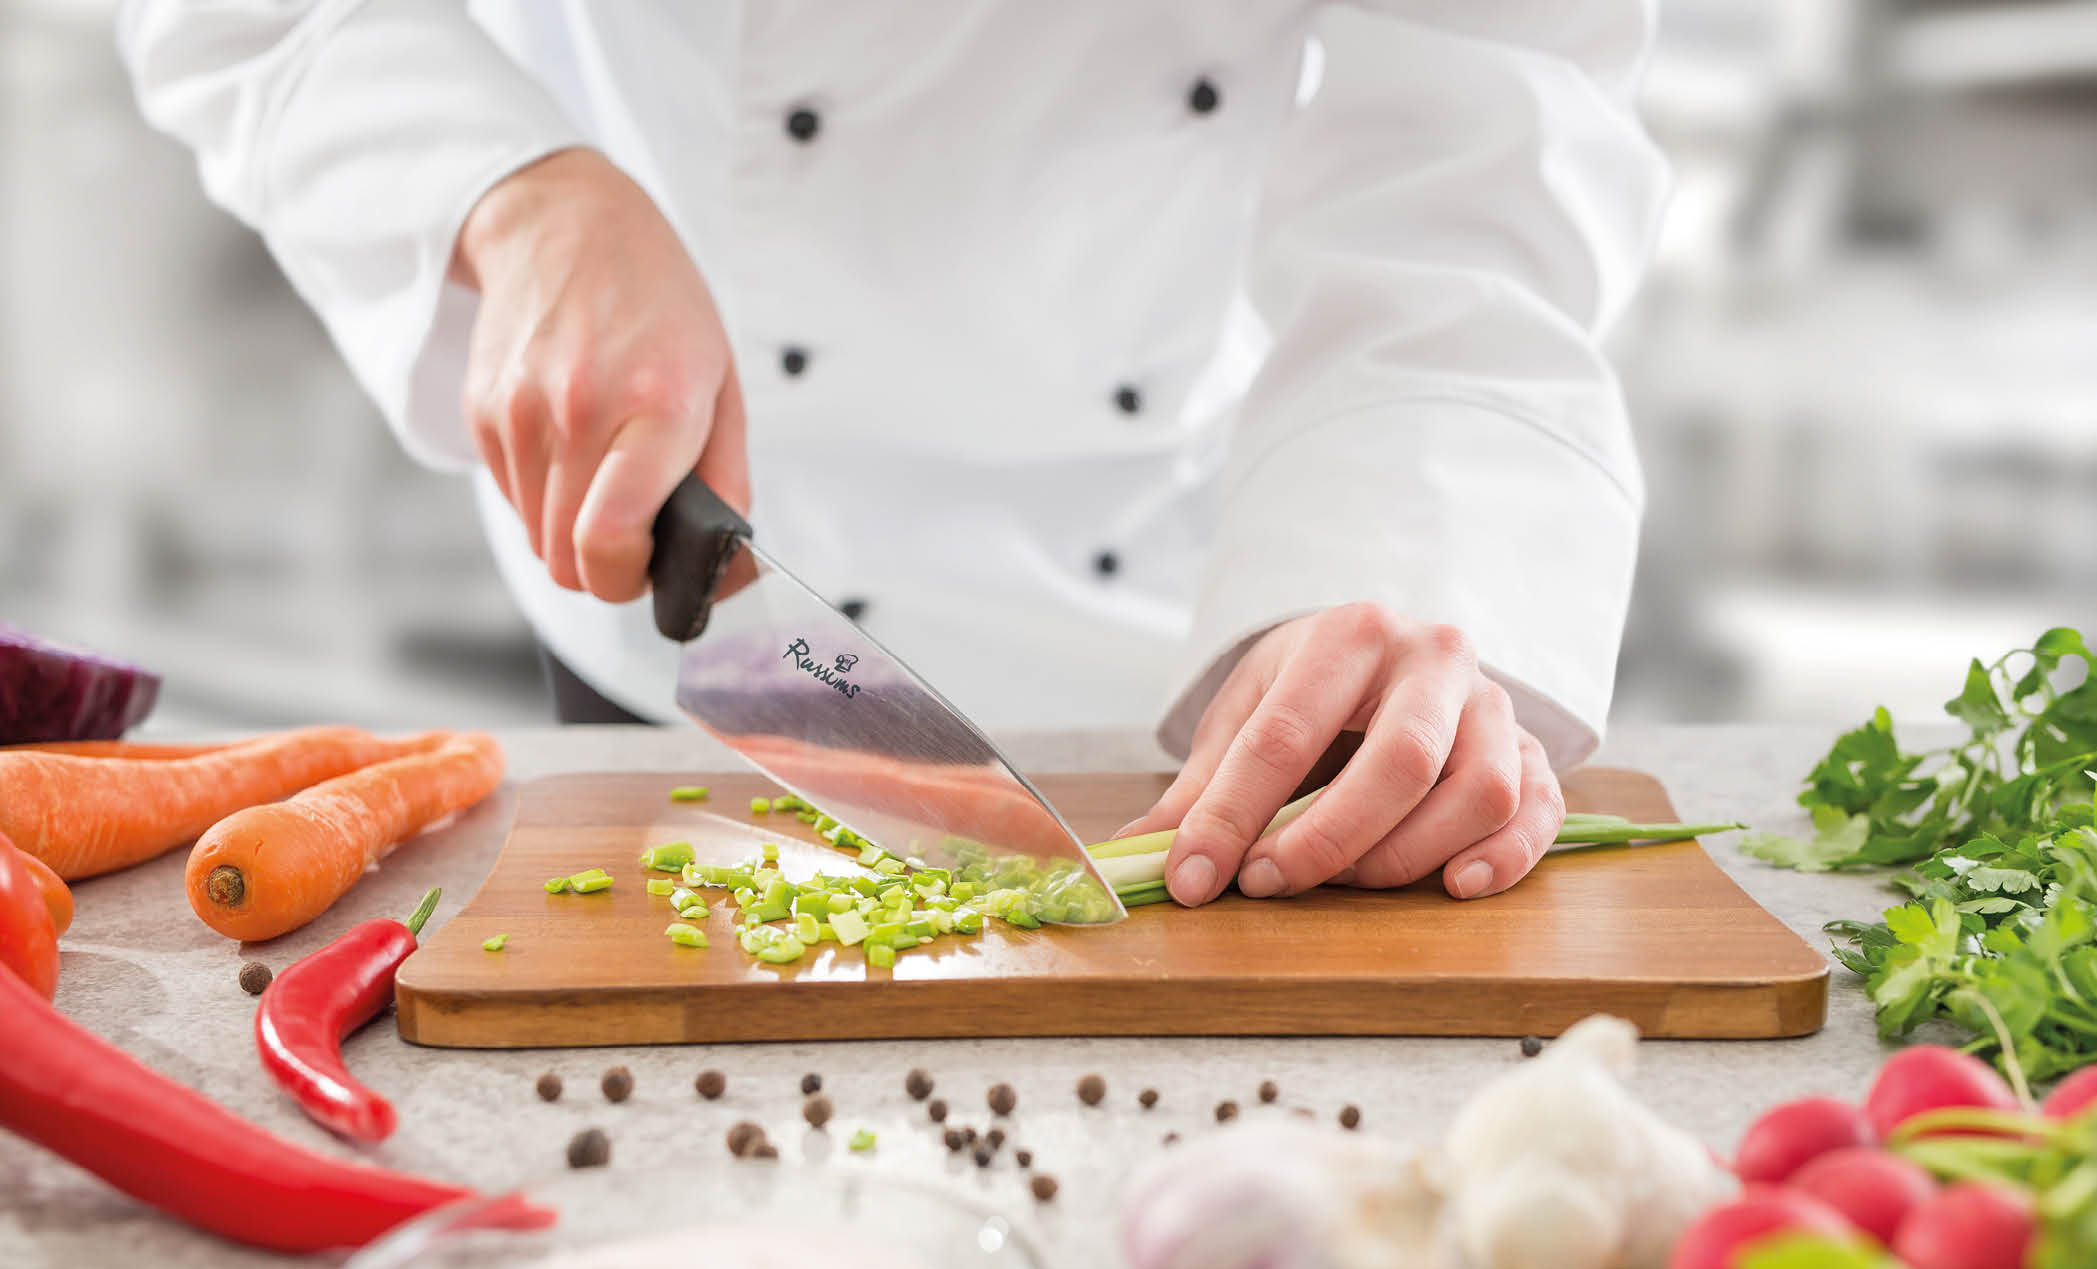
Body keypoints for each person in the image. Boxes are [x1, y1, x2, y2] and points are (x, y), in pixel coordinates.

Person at [117, 2, 1666, 909]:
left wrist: (1396, 561)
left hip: (1226, 628)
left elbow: (1495, 116)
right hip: (682, 542)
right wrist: (510, 195)